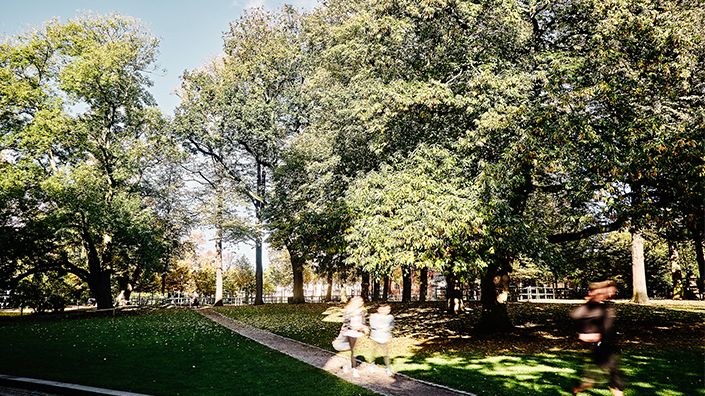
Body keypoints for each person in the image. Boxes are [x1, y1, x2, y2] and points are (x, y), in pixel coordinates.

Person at [569, 280, 624, 396]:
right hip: (598, 349)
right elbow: (575, 326)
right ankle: (577, 389)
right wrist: (585, 336)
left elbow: (609, 328)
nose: (611, 293)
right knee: (605, 379)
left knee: (609, 379)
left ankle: (578, 388)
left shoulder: (606, 308)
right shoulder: (585, 310)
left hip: (610, 347)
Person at [341, 296, 367, 378]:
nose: (361, 303)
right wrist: (354, 328)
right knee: (354, 350)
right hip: (351, 332)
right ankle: (354, 369)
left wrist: (364, 328)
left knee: (356, 350)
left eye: (362, 301)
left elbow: (364, 321)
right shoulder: (349, 310)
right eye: (359, 301)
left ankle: (350, 364)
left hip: (359, 331)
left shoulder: (363, 311)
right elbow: (346, 322)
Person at [369, 304, 395, 376]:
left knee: (386, 353)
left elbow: (392, 325)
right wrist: (384, 328)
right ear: (379, 309)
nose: (387, 311)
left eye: (388, 309)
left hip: (385, 337)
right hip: (375, 337)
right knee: (374, 352)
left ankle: (388, 368)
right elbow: (373, 326)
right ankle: (372, 364)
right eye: (385, 309)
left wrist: (388, 329)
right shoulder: (373, 316)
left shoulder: (390, 317)